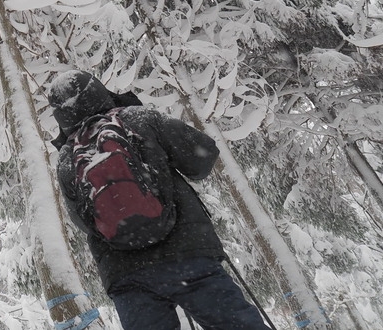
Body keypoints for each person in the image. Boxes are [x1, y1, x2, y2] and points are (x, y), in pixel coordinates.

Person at [46, 69, 269, 330]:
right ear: (99, 91)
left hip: (126, 273)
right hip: (187, 253)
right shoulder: (138, 119)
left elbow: (83, 222)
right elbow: (202, 158)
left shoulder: (66, 158)